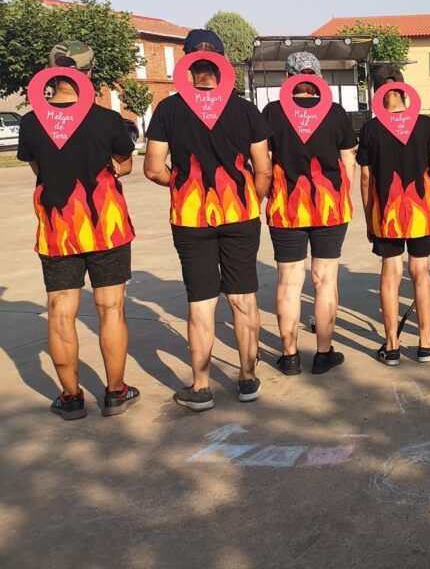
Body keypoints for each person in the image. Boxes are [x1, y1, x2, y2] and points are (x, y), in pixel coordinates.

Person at [144, 28, 272, 410]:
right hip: (240, 215)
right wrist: (250, 200)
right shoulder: (245, 110)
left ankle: (200, 387)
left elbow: (153, 168)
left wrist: (179, 183)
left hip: (191, 217)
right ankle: (247, 379)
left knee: (200, 301)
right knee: (243, 297)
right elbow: (264, 169)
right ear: (222, 62)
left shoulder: (168, 110)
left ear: (187, 63)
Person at [17, 41, 140, 419]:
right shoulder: (107, 119)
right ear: (88, 73)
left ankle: (70, 397)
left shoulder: (31, 122)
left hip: (58, 227)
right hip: (106, 225)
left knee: (60, 309)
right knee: (110, 307)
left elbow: (39, 170)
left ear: (52, 73)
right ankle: (116, 392)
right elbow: (124, 164)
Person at [262, 52, 356, 375]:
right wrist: (344, 196)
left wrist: (267, 193)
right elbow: (348, 160)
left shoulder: (273, 112)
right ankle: (323, 352)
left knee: (289, 281)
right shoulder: (336, 112)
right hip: (330, 206)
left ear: (288, 79)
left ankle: (289, 356)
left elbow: (263, 160)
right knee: (324, 279)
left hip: (286, 206)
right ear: (318, 79)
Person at [357, 67, 430, 365]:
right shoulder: (425, 125)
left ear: (377, 93)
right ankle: (425, 343)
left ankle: (392, 346)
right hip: (421, 211)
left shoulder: (371, 130)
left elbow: (366, 177)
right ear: (404, 91)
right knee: (420, 271)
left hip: (386, 212)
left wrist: (369, 216)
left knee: (390, 272)